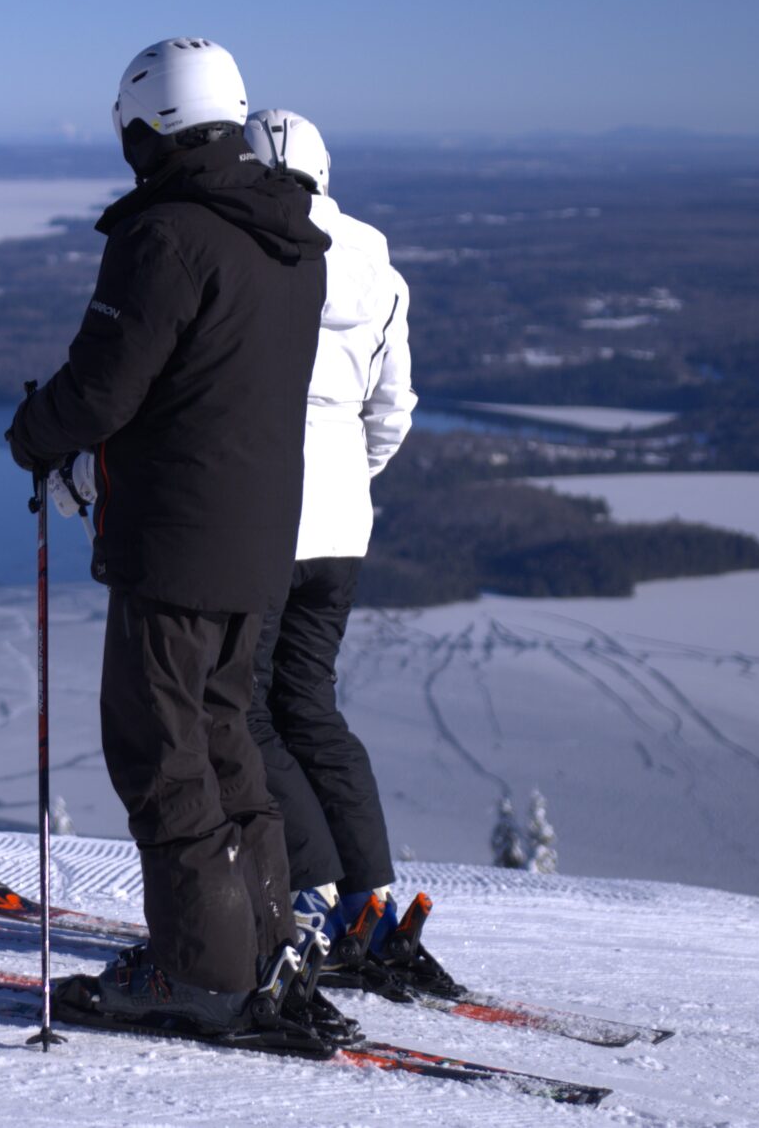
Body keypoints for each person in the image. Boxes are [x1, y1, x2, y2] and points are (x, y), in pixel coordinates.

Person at [9, 37, 342, 1050]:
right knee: (226, 739)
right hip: (256, 542)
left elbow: (109, 379)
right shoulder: (285, 235)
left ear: (146, 127)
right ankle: (261, 944)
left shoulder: (166, 235)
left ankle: (198, 971)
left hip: (175, 541)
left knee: (162, 754)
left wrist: (35, 432)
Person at [242, 108, 451, 993]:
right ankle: (370, 895)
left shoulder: (249, 248)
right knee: (312, 707)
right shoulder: (377, 260)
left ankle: (314, 886)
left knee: (243, 710)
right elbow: (392, 408)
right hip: (342, 527)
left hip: (258, 518)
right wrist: (349, 482)